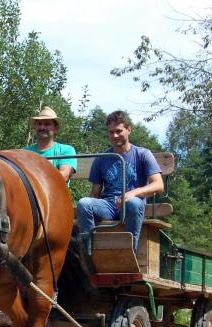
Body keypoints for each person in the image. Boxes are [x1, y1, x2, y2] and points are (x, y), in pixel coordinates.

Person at [76, 110, 164, 252]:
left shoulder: (142, 154)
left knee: (133, 202)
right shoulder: (102, 158)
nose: (115, 135)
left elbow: (159, 185)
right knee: (83, 203)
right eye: (111, 132)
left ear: (129, 130)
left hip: (132, 206)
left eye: (119, 131)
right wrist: (84, 210)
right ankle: (88, 251)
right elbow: (95, 192)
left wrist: (133, 193)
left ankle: (129, 252)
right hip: (109, 206)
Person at [24, 106, 77, 181]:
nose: (42, 127)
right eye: (39, 124)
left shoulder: (66, 150)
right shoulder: (24, 152)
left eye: (47, 124)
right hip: (28, 192)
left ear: (56, 129)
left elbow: (64, 176)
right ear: (35, 127)